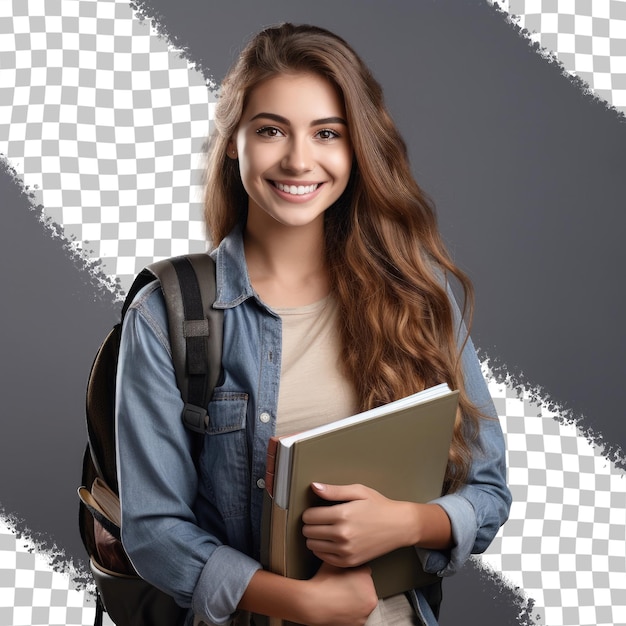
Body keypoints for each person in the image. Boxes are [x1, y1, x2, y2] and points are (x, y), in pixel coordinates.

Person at [116, 23, 512, 626]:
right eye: (271, 129)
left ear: (356, 149)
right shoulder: (168, 314)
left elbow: (487, 493)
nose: (299, 159)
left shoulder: (418, 298)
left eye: (327, 133)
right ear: (232, 142)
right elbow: (153, 532)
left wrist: (406, 523)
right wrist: (301, 601)